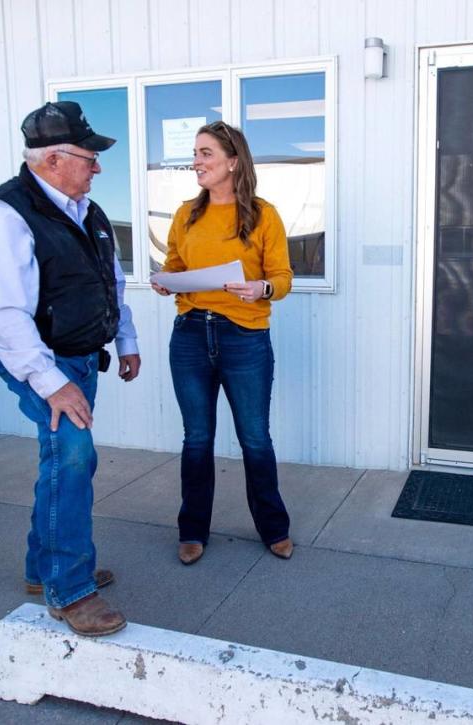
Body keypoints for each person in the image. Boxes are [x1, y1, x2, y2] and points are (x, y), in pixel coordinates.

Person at [0, 101, 141, 637]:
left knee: (62, 461)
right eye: (90, 157)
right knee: (72, 457)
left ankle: (39, 569)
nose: (98, 167)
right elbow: (2, 318)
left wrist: (125, 337)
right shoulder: (3, 214)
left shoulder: (85, 210)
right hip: (40, 363)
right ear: (52, 159)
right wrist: (54, 384)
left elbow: (109, 282)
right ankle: (69, 587)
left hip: (81, 356)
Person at [152, 120, 293, 565]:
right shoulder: (185, 213)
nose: (197, 161)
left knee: (254, 438)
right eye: (195, 153)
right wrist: (166, 282)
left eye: (206, 153)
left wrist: (262, 290)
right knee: (197, 438)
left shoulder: (263, 213)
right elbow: (173, 264)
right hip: (192, 333)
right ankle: (192, 530)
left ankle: (273, 528)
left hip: (244, 337)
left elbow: (282, 277)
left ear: (233, 161)